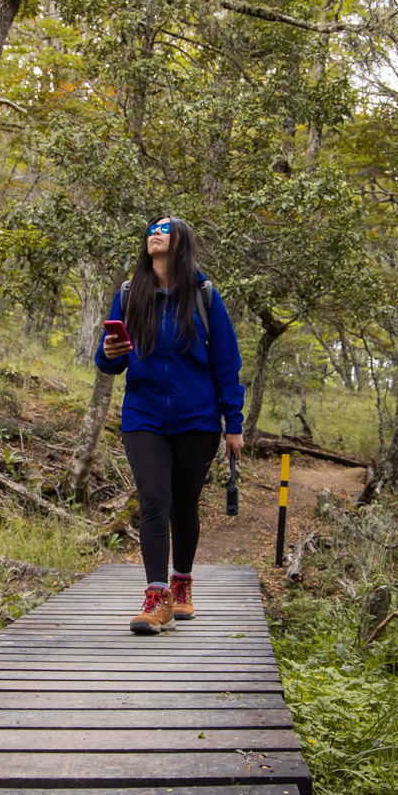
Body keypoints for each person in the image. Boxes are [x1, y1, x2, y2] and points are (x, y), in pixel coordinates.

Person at [95, 215, 244, 634]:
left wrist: (233, 424)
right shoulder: (129, 294)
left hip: (196, 420)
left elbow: (227, 365)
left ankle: (182, 585)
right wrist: (109, 351)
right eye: (151, 229)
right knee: (154, 501)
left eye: (164, 228)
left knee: (183, 505)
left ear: (182, 242)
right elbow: (110, 364)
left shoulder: (204, 296)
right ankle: (156, 599)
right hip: (143, 417)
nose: (154, 234)